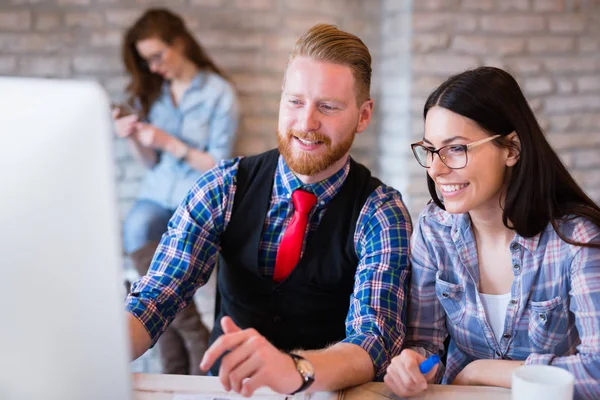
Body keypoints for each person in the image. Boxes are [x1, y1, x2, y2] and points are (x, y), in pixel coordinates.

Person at [125, 23, 412, 396]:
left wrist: (296, 369)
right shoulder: (223, 187)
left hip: (326, 394)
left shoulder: (380, 212)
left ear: (363, 115)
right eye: (295, 102)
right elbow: (155, 298)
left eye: (328, 106)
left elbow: (376, 338)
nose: (306, 123)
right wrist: (92, 358)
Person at [384, 66, 600, 400]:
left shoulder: (577, 241)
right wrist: (412, 364)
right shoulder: (434, 230)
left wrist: (480, 371)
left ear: (511, 149)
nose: (436, 169)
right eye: (430, 150)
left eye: (456, 149)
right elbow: (425, 344)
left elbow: (597, 372)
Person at [114, 8, 239, 375]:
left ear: (179, 43)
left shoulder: (220, 94)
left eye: (157, 56)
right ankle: (189, 347)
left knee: (161, 248)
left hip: (196, 194)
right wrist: (134, 138)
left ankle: (187, 354)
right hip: (157, 194)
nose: (152, 67)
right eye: (145, 60)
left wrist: (170, 142)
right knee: (137, 225)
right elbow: (150, 163)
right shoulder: (153, 92)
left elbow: (220, 164)